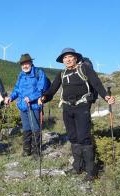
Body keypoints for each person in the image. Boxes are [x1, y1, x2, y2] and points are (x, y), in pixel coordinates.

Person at [38, 48, 115, 181]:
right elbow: (52, 89)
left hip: (82, 106)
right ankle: (78, 167)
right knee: (73, 137)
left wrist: (106, 96)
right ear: (62, 61)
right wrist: (44, 97)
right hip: (67, 108)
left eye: (70, 57)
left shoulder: (85, 69)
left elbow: (96, 83)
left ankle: (91, 172)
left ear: (75, 58)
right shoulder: (61, 74)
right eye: (65, 58)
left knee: (84, 137)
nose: (67, 60)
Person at [5, 54, 50, 158]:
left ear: (31, 63)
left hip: (34, 106)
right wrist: (11, 98)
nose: (25, 66)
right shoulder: (21, 75)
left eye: (26, 63)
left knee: (35, 128)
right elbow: (17, 89)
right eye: (23, 64)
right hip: (23, 106)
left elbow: (41, 89)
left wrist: (31, 98)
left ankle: (36, 152)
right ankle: (26, 150)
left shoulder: (39, 72)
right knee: (26, 128)